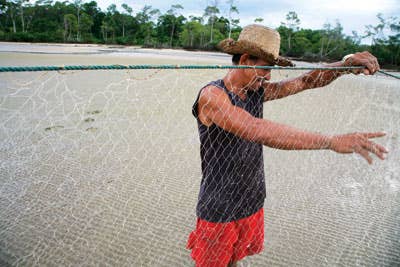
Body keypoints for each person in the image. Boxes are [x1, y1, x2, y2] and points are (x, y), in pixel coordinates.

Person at [186, 24, 388, 267]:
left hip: (251, 202)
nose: (269, 77)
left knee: (234, 261)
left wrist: (345, 64)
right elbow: (256, 129)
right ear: (246, 60)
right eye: (266, 69)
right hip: (218, 210)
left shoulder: (255, 92)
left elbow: (305, 80)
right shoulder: (213, 96)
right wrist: (331, 141)